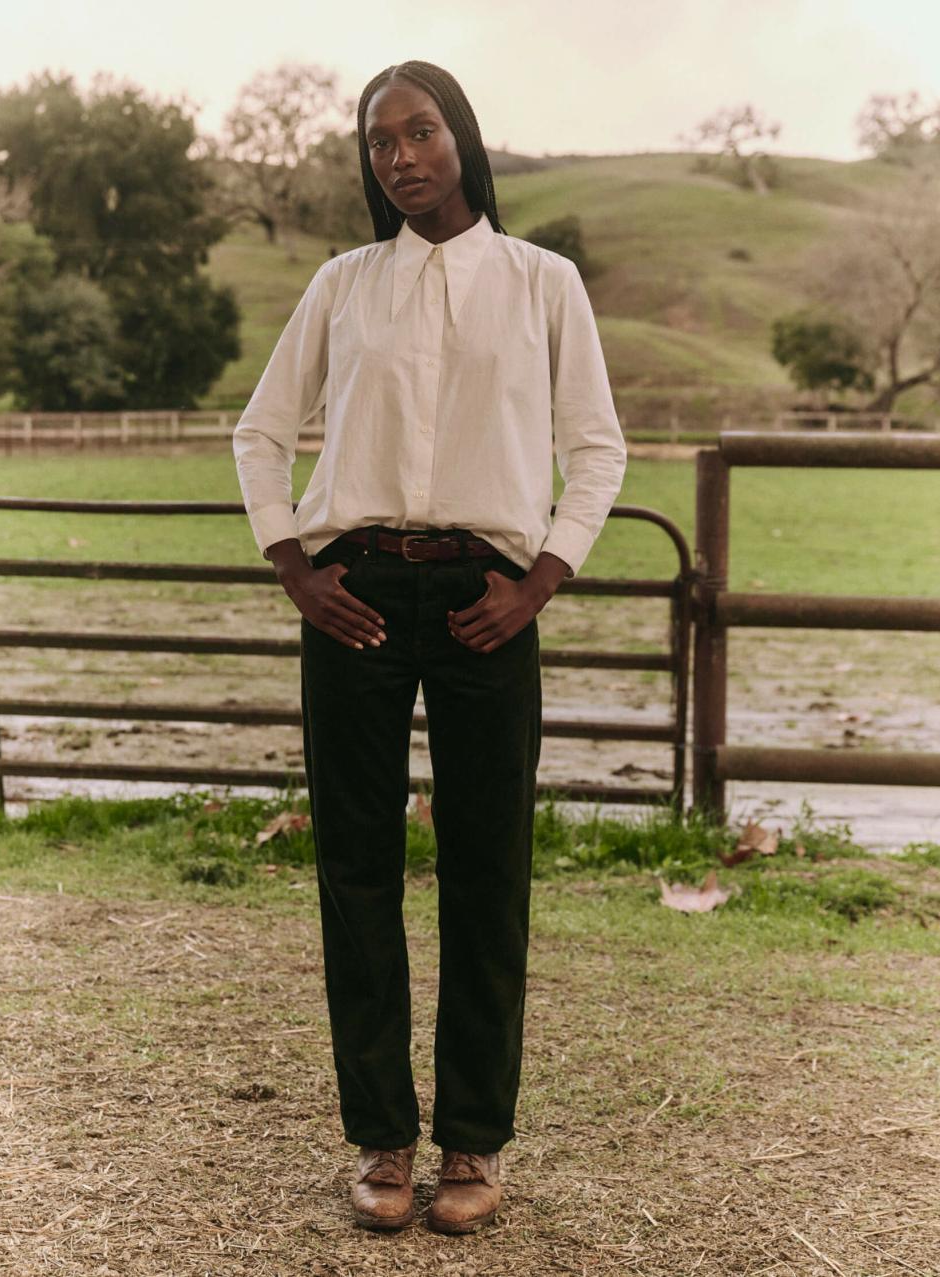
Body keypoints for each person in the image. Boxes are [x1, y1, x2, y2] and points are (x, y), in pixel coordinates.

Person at [233, 59, 626, 1235]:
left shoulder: (542, 282)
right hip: (354, 593)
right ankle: (382, 1140)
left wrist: (541, 578)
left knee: (486, 867)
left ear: (461, 136)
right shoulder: (343, 285)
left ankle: (473, 1141)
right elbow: (259, 434)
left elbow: (595, 449)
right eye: (379, 142)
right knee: (354, 869)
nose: (400, 156)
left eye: (420, 132)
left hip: (486, 600)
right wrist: (297, 569)